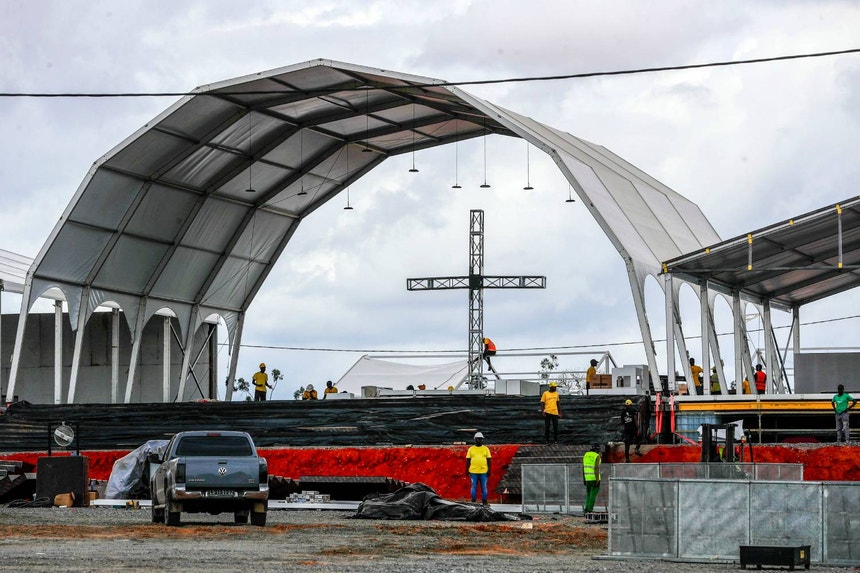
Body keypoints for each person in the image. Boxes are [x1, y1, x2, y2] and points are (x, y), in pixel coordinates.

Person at [465, 431, 492, 505]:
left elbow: (489, 460)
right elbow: (468, 460)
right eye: (478, 439)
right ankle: (473, 501)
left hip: (484, 471)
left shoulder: (486, 449)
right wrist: (466, 470)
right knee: (474, 486)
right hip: (473, 472)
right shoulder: (471, 449)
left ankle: (484, 501)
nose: (480, 440)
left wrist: (489, 470)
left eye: (481, 439)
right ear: (475, 439)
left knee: (484, 487)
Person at [582, 444, 601, 514]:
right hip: (594, 478)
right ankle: (590, 509)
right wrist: (597, 479)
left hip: (587, 478)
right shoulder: (597, 456)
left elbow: (583, 468)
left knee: (588, 494)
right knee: (593, 495)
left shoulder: (586, 455)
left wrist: (584, 479)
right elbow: (596, 468)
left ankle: (586, 509)